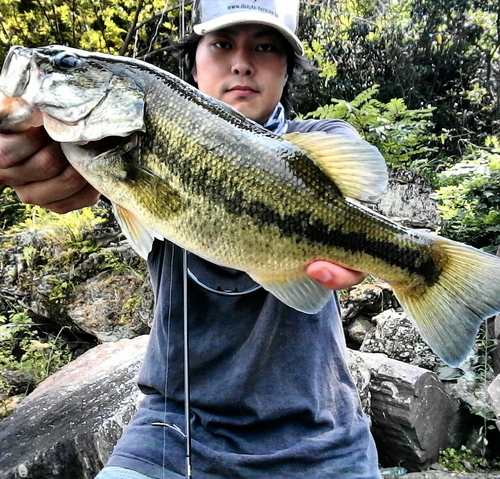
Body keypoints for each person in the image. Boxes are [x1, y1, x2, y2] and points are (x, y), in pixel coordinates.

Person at [0, 1, 382, 477]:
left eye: (264, 47)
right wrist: (30, 158)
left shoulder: (320, 142)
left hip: (324, 437)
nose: (241, 62)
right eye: (222, 44)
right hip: (172, 430)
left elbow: (362, 205)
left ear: (288, 71)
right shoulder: (114, 143)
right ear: (193, 63)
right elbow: (50, 166)